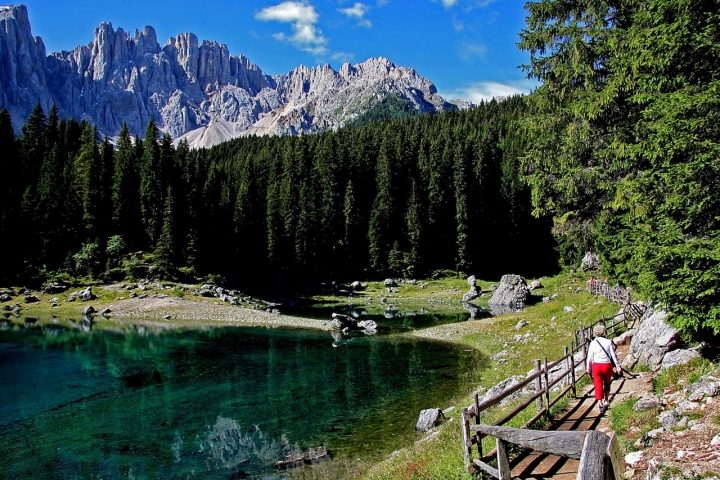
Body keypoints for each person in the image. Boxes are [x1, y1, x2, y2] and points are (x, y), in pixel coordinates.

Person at [586, 325, 621, 413]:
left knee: (598, 385)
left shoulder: (593, 343)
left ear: (595, 333)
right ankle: (606, 399)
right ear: (603, 332)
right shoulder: (608, 342)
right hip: (607, 365)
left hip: (596, 366)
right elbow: (613, 355)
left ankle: (600, 404)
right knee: (607, 383)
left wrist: (588, 368)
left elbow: (589, 358)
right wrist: (618, 367)